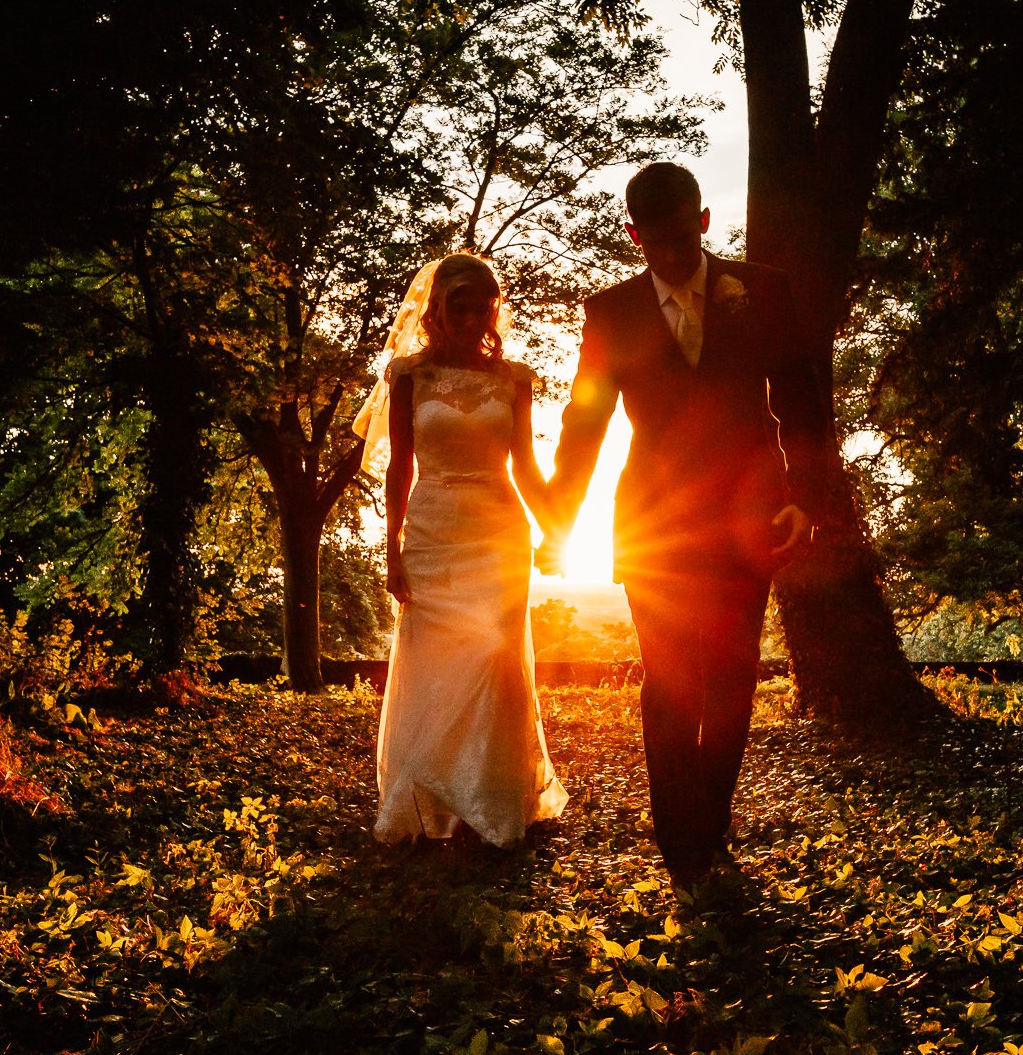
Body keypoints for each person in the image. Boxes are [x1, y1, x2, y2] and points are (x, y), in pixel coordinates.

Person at [542, 161, 830, 885]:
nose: (673, 255)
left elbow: (802, 401)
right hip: (654, 522)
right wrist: (558, 520)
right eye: (656, 243)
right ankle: (684, 848)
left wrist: (807, 496)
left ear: (703, 220)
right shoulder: (609, 312)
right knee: (669, 682)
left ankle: (708, 824)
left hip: (750, 513)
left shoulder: (762, 290)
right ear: (634, 235)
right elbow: (584, 424)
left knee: (732, 677)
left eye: (684, 237)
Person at [355, 254, 569, 847]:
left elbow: (526, 465)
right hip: (430, 528)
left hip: (499, 531)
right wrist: (391, 546)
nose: (474, 317)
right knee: (435, 662)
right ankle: (429, 796)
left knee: (495, 659)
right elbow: (400, 465)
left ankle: (490, 802)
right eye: (461, 306)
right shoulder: (408, 376)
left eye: (484, 306)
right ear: (438, 309)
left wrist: (558, 527)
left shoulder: (515, 379)